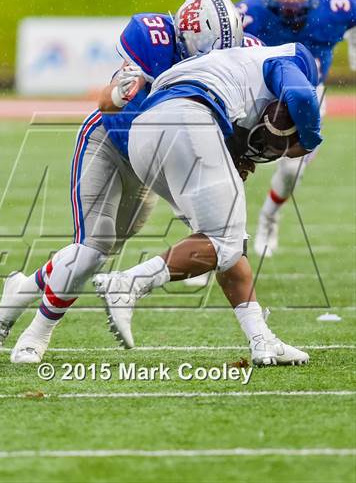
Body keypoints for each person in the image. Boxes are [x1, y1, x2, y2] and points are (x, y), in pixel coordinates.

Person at [0, 0, 245, 364]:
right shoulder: (152, 39)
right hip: (108, 139)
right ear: (185, 40)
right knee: (92, 248)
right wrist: (123, 93)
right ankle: (37, 332)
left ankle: (23, 288)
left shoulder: (233, 57)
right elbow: (105, 102)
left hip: (153, 162)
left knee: (107, 250)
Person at [94, 40, 322, 366]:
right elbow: (301, 96)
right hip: (187, 118)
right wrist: (311, 138)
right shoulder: (292, 58)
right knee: (223, 241)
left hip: (144, 133)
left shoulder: (229, 69)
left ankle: (262, 339)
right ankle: (128, 283)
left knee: (229, 244)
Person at [236, 0, 356, 257]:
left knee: (291, 170)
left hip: (308, 93)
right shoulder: (248, 14)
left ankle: (269, 218)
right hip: (259, 91)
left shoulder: (339, 4)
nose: (289, 1)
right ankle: (221, 237)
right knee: (232, 163)